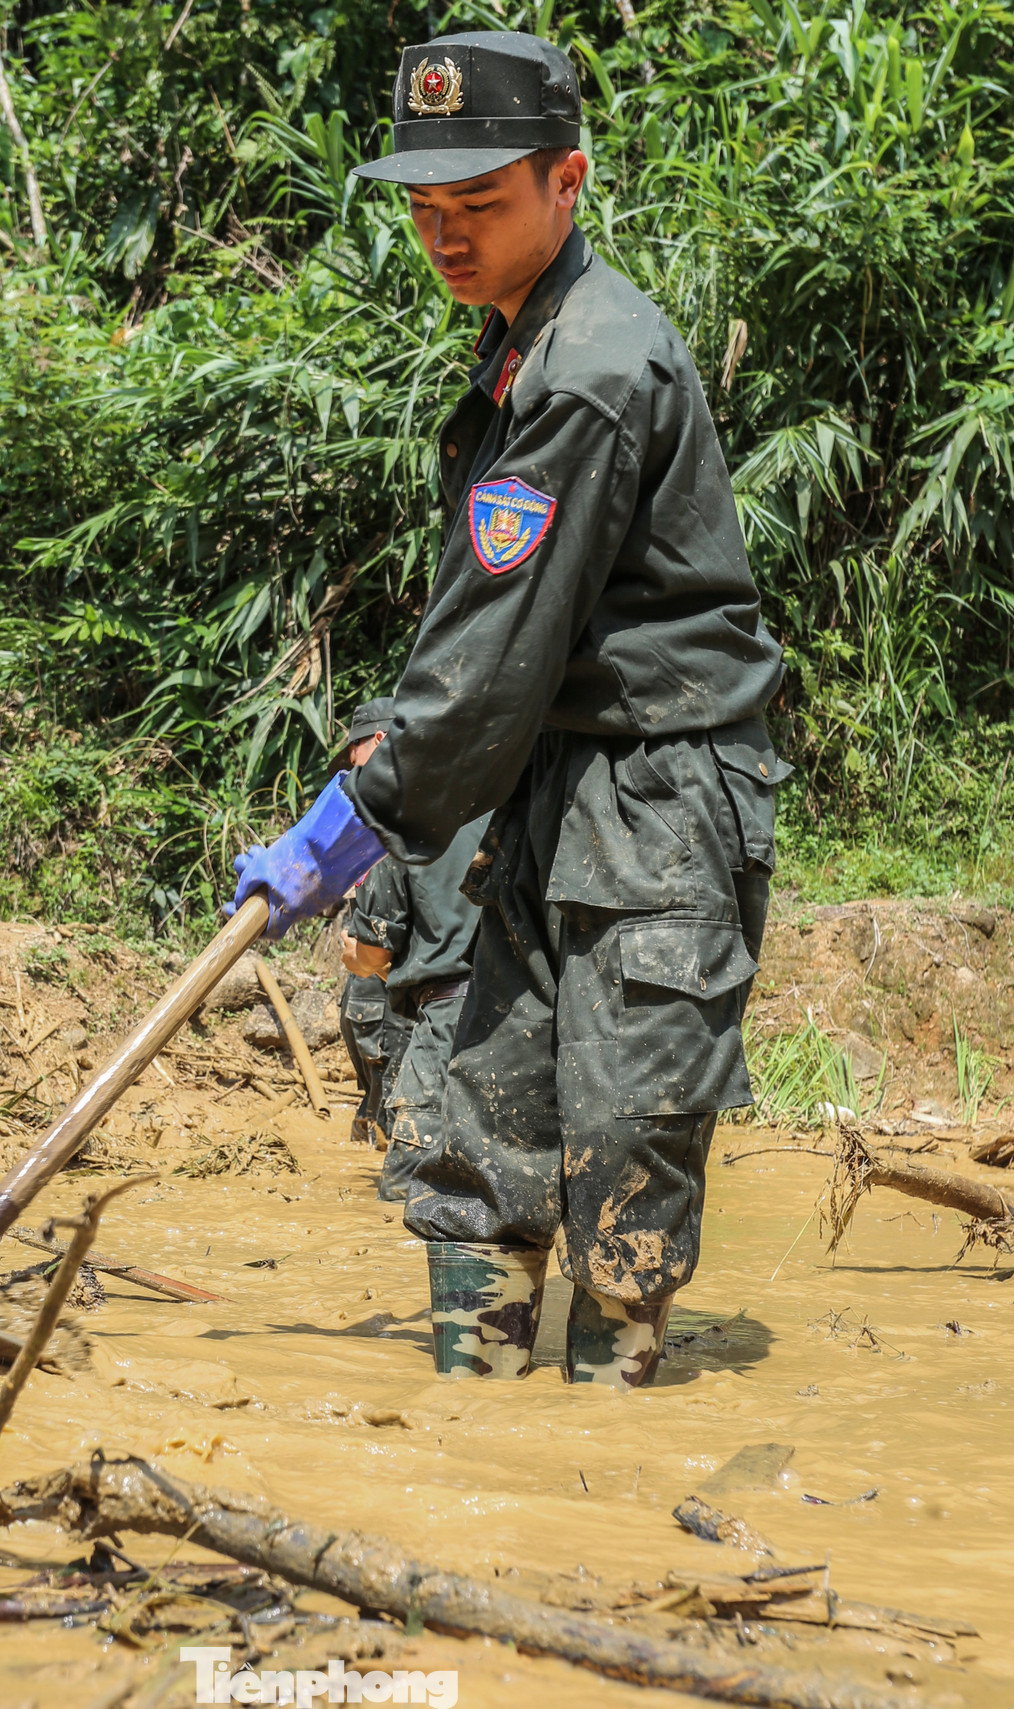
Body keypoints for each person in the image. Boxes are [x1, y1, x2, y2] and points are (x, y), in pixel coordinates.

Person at [230, 31, 786, 1389]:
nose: (446, 237)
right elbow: (486, 625)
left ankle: (604, 1475)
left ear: (567, 182)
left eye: (477, 206)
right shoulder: (520, 354)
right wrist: (396, 744)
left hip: (649, 801)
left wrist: (358, 812)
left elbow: (493, 647)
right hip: (531, 780)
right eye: (425, 211)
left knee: (620, 1160)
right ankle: (474, 1445)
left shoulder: (591, 370)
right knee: (475, 1129)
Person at [346, 808, 488, 1200]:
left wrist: (356, 960)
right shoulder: (514, 799)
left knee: (409, 1184)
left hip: (446, 1017)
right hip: (527, 1015)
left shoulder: (404, 821)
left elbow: (373, 953)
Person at [331, 700, 414, 1149]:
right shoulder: (367, 812)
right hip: (370, 945)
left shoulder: (408, 814)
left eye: (355, 750)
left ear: (379, 741)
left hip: (393, 956)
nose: (350, 763)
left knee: (391, 1064)